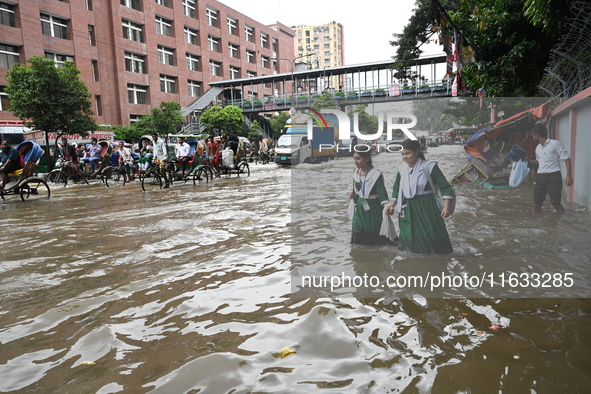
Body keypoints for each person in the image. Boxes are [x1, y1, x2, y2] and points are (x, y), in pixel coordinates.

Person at [385, 139, 453, 254]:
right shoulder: (402, 170)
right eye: (402, 154)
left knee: (430, 233)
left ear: (416, 152)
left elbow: (445, 187)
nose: (404, 157)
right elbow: (396, 190)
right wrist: (392, 205)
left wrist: (446, 207)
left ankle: (434, 257)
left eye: (407, 153)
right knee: (408, 234)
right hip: (407, 207)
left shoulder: (430, 167)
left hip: (426, 207)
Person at [348, 150, 391, 244]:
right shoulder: (355, 172)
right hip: (359, 207)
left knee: (373, 237)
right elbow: (356, 190)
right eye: (354, 158)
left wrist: (387, 207)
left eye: (358, 158)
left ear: (367, 159)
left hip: (372, 207)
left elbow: (382, 194)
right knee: (357, 234)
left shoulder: (376, 174)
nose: (355, 161)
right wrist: (352, 195)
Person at [530, 124, 573, 213]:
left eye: (533, 135)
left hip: (554, 177)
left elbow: (567, 159)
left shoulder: (555, 144)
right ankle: (536, 224)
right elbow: (539, 161)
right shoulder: (538, 148)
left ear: (537, 135)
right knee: (536, 204)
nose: (533, 137)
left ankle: (564, 221)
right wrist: (528, 161)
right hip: (541, 178)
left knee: (556, 204)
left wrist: (569, 175)